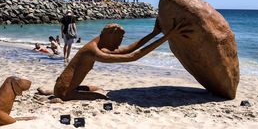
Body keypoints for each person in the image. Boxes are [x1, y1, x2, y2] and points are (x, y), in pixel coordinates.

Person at [37, 20, 190, 101]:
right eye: (119, 39)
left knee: (96, 87)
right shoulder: (93, 50)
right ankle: (58, 94)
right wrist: (167, 36)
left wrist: (154, 33)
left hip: (63, 84)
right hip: (65, 91)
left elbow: (129, 49)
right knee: (101, 97)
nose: (120, 43)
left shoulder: (99, 44)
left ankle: (53, 91)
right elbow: (133, 57)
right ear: (110, 36)